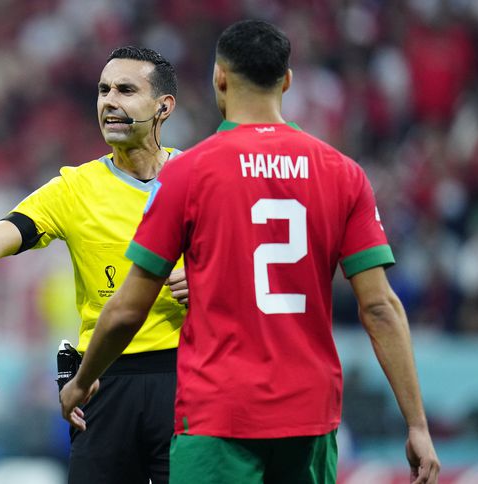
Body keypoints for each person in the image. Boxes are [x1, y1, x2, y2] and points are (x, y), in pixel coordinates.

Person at [60, 20, 440, 484]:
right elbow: (380, 307)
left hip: (218, 414)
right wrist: (417, 425)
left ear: (219, 78)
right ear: (287, 81)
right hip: (310, 414)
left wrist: (82, 382)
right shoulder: (343, 173)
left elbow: (127, 309)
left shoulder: (187, 174)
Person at [0, 46, 186, 484]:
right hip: (101, 380)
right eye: (103, 90)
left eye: (126, 90)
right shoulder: (75, 188)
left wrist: (209, 279)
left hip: (186, 376)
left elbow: (252, 267)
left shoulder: (198, 178)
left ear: (164, 106)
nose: (109, 101)